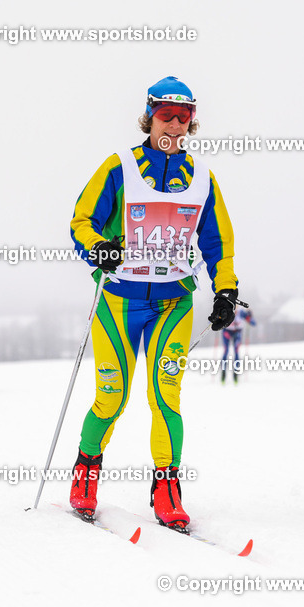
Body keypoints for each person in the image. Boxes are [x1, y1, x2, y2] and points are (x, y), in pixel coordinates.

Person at [67, 76, 239, 530]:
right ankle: (86, 469)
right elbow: (82, 220)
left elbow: (218, 242)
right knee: (111, 399)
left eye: (185, 116)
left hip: (173, 304)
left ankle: (167, 489)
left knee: (165, 396)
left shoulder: (201, 178)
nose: (175, 124)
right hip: (119, 302)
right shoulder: (119, 167)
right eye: (166, 114)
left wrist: (225, 289)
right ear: (150, 116)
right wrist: (99, 248)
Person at [220, 307, 256, 384]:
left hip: (237, 332)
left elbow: (253, 323)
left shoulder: (241, 312)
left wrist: (250, 316)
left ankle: (235, 374)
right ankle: (223, 373)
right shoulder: (226, 310)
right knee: (226, 351)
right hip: (227, 332)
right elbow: (212, 321)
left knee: (236, 352)